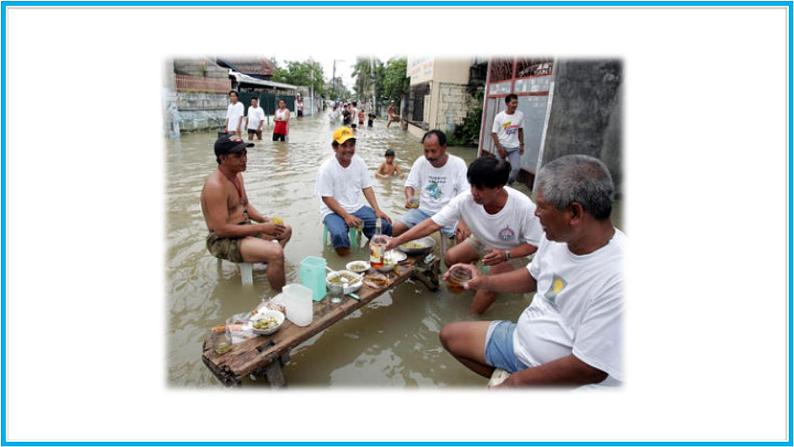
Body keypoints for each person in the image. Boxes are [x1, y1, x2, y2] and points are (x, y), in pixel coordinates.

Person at [438, 154, 624, 388]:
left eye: (542, 207)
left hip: (571, 380)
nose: (535, 213)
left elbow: (590, 369)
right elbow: (532, 276)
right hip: (521, 340)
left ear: (574, 213)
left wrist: (516, 383)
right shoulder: (557, 236)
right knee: (449, 336)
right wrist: (482, 281)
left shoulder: (619, 275)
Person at [385, 156, 542, 314]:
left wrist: (507, 254)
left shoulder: (524, 207)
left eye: (480, 188)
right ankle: (474, 284)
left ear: (499, 187)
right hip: (481, 241)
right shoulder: (465, 199)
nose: (474, 193)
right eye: (472, 185)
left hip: (510, 251)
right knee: (451, 258)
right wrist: (396, 241)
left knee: (488, 287)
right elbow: (432, 224)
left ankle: (471, 318)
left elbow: (535, 244)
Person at [200, 135, 293, 291]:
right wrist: (261, 228)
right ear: (222, 158)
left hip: (244, 228)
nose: (244, 158)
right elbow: (221, 230)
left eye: (245, 153)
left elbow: (245, 205)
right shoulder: (215, 186)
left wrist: (264, 220)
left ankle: (268, 262)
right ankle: (279, 300)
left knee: (286, 230)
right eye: (238, 155)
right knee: (276, 252)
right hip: (222, 240)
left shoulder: (237, 175)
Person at [316, 126, 393, 256]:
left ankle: (370, 255)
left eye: (351, 145)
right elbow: (327, 198)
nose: (348, 149)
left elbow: (367, 187)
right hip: (332, 210)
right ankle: (347, 261)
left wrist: (377, 210)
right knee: (339, 235)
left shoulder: (359, 163)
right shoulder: (326, 168)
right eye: (344, 146)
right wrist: (346, 216)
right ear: (335, 147)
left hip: (356, 207)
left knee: (384, 226)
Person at [391, 130, 468, 240]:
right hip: (423, 212)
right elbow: (410, 185)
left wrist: (463, 221)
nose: (429, 155)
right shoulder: (421, 162)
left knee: (463, 235)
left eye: (433, 151)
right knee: (394, 228)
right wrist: (409, 198)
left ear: (444, 148)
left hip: (449, 214)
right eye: (426, 151)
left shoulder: (458, 164)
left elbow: (465, 195)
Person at [491, 94, 525, 185]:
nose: (515, 105)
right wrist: (499, 149)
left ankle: (508, 184)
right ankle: (497, 185)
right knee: (498, 169)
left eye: (516, 103)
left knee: (516, 169)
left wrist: (522, 144)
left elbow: (520, 130)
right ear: (507, 103)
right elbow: (494, 134)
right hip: (502, 146)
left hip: (514, 148)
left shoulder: (520, 115)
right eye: (513, 103)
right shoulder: (499, 117)